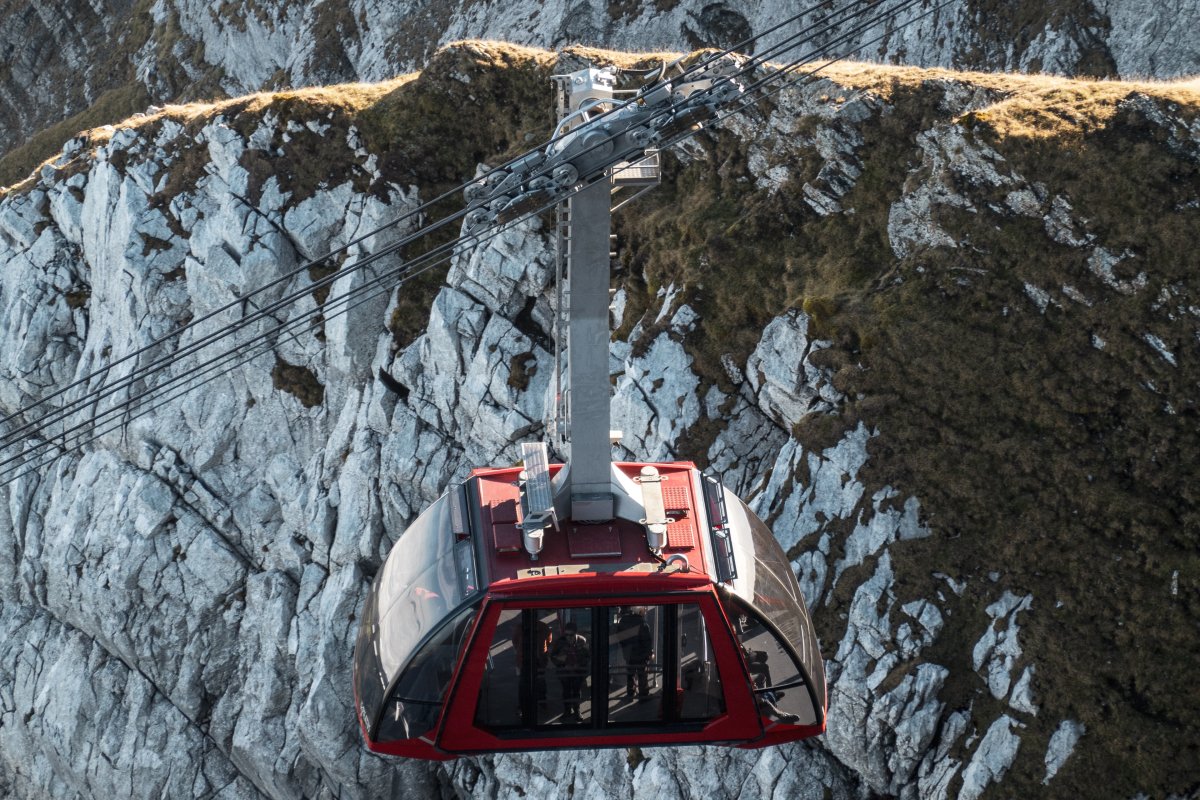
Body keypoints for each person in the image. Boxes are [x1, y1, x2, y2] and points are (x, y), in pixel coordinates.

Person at [549, 620, 590, 721]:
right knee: (566, 691)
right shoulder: (560, 642)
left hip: (578, 671)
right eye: (566, 635)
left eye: (571, 635)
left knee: (576, 691)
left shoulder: (582, 641)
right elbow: (553, 656)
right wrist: (563, 665)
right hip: (564, 671)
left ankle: (577, 711)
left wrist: (579, 664)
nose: (568, 637)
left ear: (576, 633)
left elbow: (588, 656)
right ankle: (567, 711)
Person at [615, 607, 653, 699]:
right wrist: (649, 653)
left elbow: (620, 637)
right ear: (639, 612)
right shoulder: (642, 623)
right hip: (641, 654)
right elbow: (646, 641)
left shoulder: (623, 621)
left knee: (630, 674)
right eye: (643, 610)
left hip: (628, 653)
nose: (645, 611)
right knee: (642, 675)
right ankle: (643, 694)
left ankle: (630, 692)